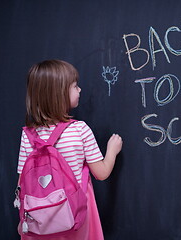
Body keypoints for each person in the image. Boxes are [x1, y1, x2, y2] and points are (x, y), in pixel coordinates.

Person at [16, 59, 122, 240]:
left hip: (38, 219)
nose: (79, 90)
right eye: (75, 86)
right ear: (58, 94)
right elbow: (101, 173)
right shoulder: (80, 130)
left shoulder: (28, 135)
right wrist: (112, 150)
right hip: (73, 216)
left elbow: (21, 181)